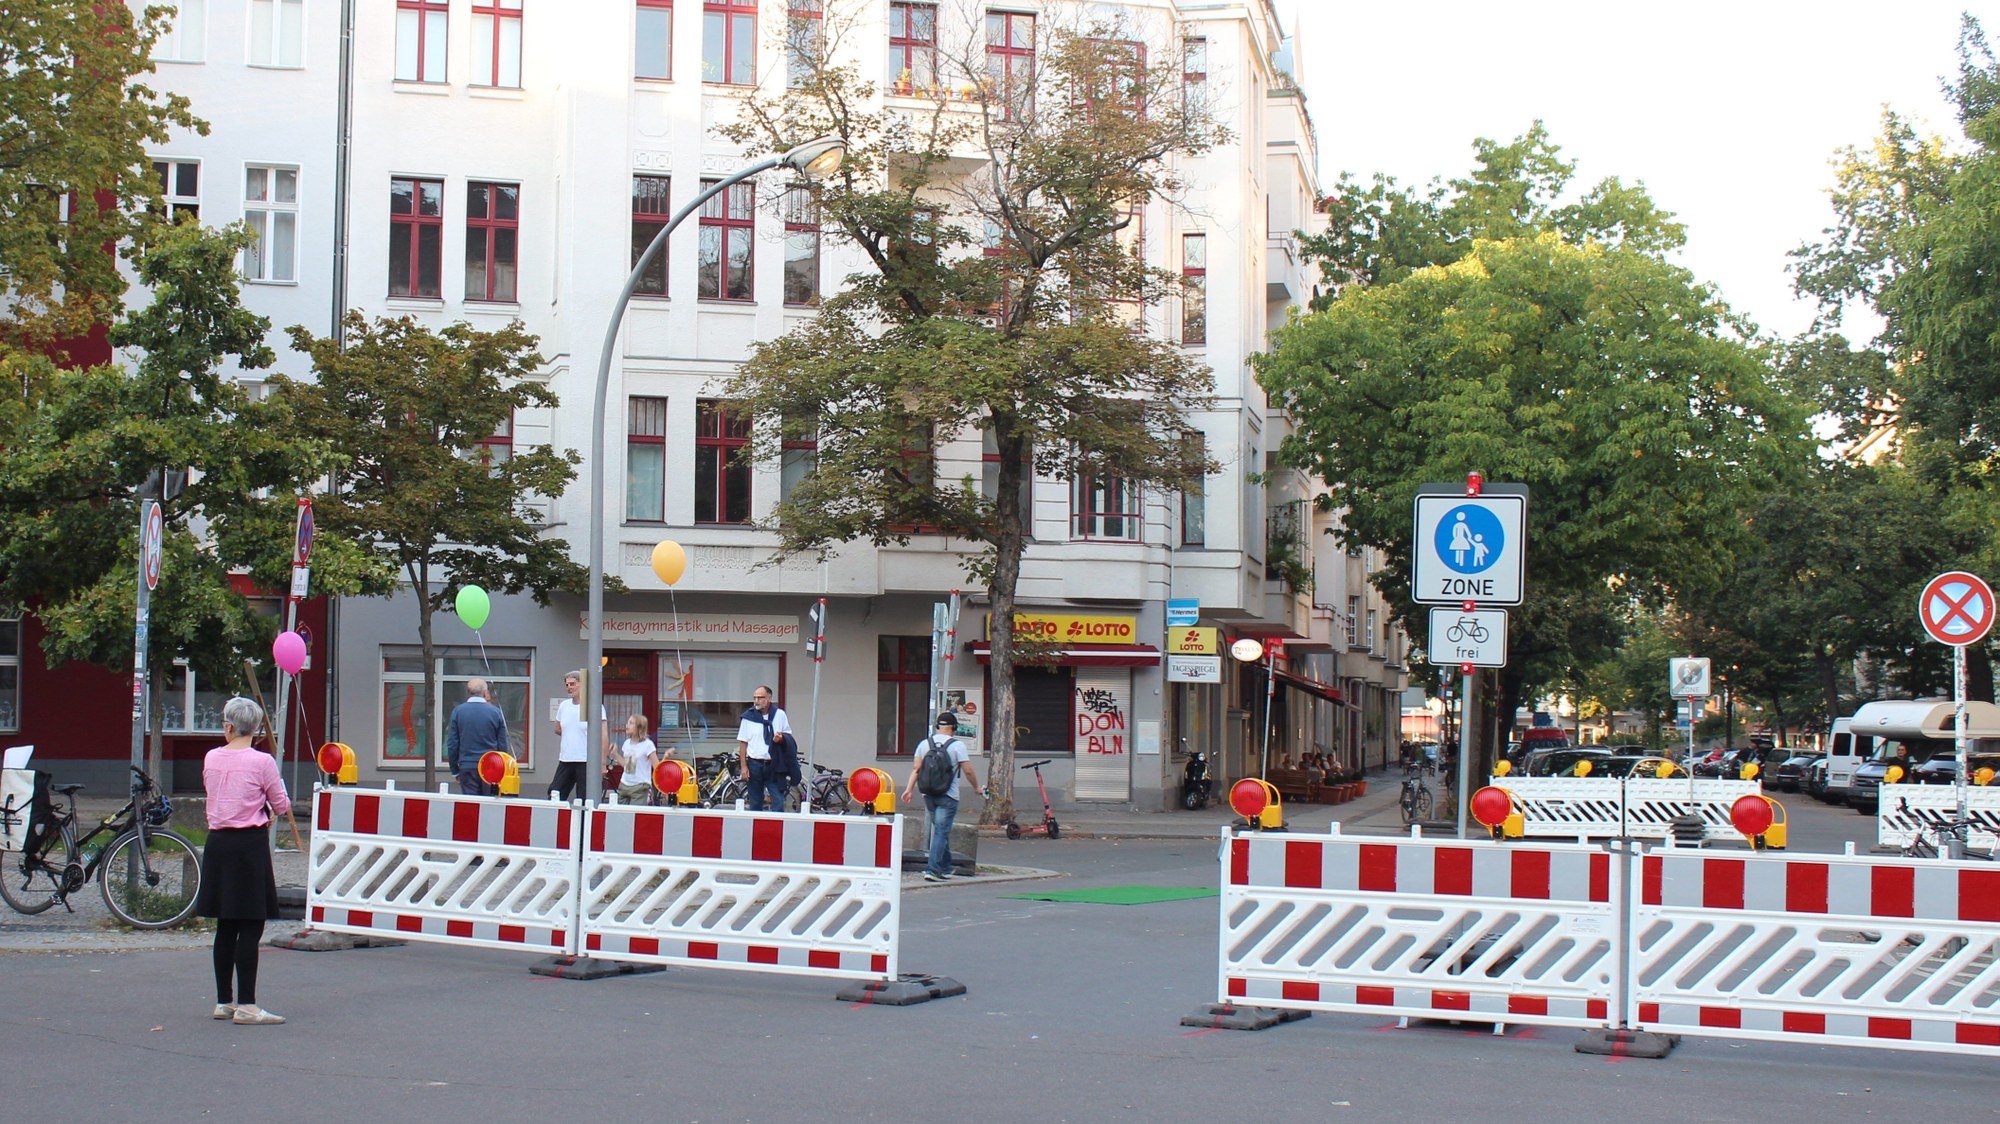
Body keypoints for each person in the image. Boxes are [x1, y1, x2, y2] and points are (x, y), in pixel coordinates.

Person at [193, 696, 290, 1026]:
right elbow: (281, 802)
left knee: (225, 924)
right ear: (258, 728)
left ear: (229, 726)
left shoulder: (211, 758)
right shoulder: (262, 762)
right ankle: (248, 1004)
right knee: (251, 923)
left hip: (218, 842)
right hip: (249, 844)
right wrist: (270, 809)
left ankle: (224, 1001)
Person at [902, 712, 979, 882]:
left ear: (937, 726)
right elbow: (968, 770)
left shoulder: (924, 744)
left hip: (928, 794)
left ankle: (945, 867)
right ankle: (933, 870)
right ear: (954, 728)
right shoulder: (957, 746)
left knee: (940, 832)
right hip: (948, 796)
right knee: (941, 833)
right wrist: (976, 787)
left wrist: (909, 789)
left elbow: (916, 769)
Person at [551, 670, 609, 801]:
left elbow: (603, 736)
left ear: (582, 685)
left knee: (584, 798)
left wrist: (603, 763)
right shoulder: (564, 706)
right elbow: (557, 728)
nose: (569, 687)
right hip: (566, 759)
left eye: (572, 684)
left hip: (586, 760)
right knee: (555, 793)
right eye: (567, 685)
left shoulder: (595, 707)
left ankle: (584, 821)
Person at [445, 678, 509, 796]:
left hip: (467, 766)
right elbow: (502, 745)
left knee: (471, 808)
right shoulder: (495, 712)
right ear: (485, 692)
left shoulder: (458, 712)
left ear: (468, 692)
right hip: (491, 767)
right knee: (490, 804)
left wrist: (455, 770)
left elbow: (452, 744)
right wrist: (502, 768)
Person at [736, 685, 795, 811]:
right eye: (754, 698)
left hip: (774, 764)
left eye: (760, 697)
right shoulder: (748, 717)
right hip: (754, 764)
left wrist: (781, 738)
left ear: (769, 698)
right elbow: (743, 742)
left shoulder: (779, 715)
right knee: (755, 801)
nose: (756, 700)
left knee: (778, 800)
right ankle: (756, 829)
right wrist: (744, 766)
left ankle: (776, 828)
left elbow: (788, 735)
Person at [614, 714, 661, 805]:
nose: (627, 725)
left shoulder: (648, 745)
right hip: (624, 784)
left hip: (640, 786)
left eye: (631, 723)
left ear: (639, 727)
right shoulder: (627, 743)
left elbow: (657, 767)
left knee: (636, 815)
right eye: (627, 723)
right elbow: (628, 766)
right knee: (621, 815)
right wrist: (615, 754)